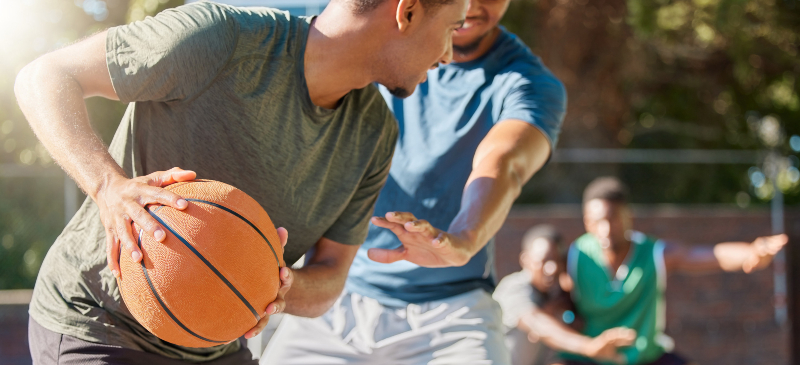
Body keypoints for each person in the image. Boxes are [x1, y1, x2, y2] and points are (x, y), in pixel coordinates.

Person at [13, 0, 469, 363]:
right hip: (99, 324)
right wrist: (108, 186)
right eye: (452, 28)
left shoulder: (375, 135)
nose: (449, 54)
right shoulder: (221, 39)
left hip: (215, 342)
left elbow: (329, 280)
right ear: (406, 11)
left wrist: (275, 287)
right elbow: (45, 77)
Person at [262, 0, 567, 363]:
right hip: (337, 293)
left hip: (453, 313)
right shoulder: (373, 42)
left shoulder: (529, 83)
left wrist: (464, 237)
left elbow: (505, 162)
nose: (474, 5)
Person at [559, 176, 788, 365]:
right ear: (587, 222)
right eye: (598, 221)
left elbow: (706, 255)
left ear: (628, 216)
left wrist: (751, 253)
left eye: (613, 219)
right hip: (590, 357)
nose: (606, 229)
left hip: (645, 358)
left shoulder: (653, 254)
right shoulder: (574, 257)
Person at [493, 225, 636, 365]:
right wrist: (589, 346)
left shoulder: (556, 295)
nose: (552, 269)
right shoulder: (514, 288)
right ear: (525, 260)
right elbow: (537, 323)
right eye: (543, 261)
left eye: (557, 261)